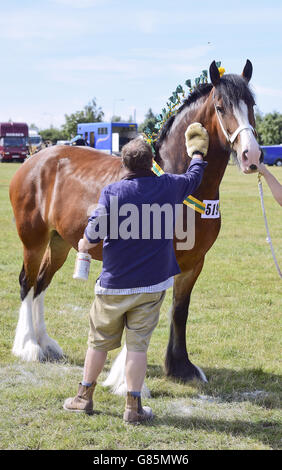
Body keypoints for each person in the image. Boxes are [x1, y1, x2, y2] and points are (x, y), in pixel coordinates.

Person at [63, 123, 209, 424]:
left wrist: (83, 243)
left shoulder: (112, 192)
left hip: (114, 285)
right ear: (152, 164)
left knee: (98, 343)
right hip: (152, 285)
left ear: (123, 163)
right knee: (138, 347)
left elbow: (91, 236)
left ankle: (84, 396)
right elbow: (195, 177)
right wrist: (196, 153)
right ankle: (133, 407)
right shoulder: (168, 185)